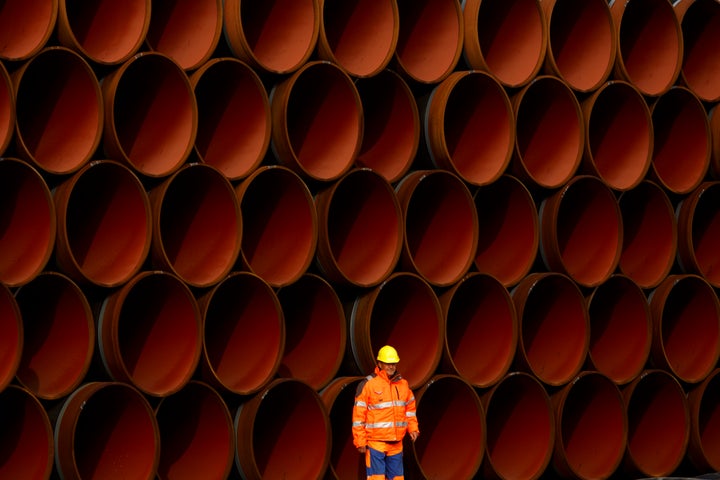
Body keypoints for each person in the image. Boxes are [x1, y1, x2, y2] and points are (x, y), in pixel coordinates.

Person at [352, 345, 420, 480]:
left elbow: (410, 409)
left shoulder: (403, 384)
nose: (391, 367)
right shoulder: (368, 385)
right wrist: (360, 441)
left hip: (396, 443)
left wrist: (413, 428)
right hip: (375, 443)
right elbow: (358, 415)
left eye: (393, 363)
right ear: (379, 364)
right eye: (387, 364)